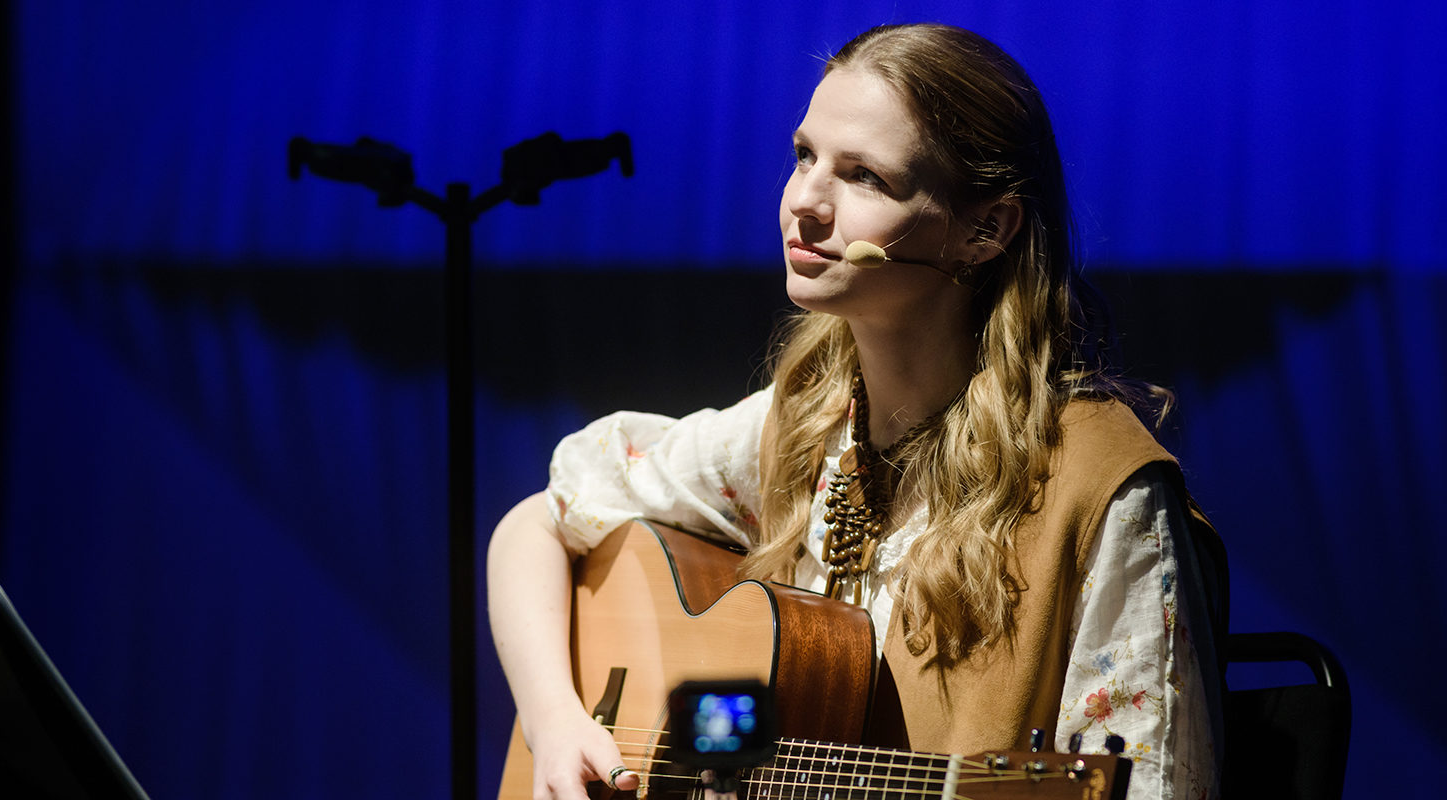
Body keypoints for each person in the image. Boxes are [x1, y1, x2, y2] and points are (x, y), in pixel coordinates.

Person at [488, 23, 1221, 800]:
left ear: (986, 230)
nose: (805, 200)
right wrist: (556, 722)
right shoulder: (805, 426)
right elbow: (538, 522)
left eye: (865, 176)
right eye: (805, 156)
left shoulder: (1102, 488)